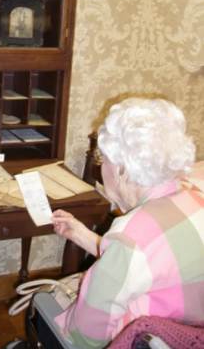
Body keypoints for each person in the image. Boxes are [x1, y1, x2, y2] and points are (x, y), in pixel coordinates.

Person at [50, 97, 204, 348]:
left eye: (104, 159)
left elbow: (86, 337)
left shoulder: (129, 235)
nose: (101, 167)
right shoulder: (196, 200)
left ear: (122, 169)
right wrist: (81, 235)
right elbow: (152, 261)